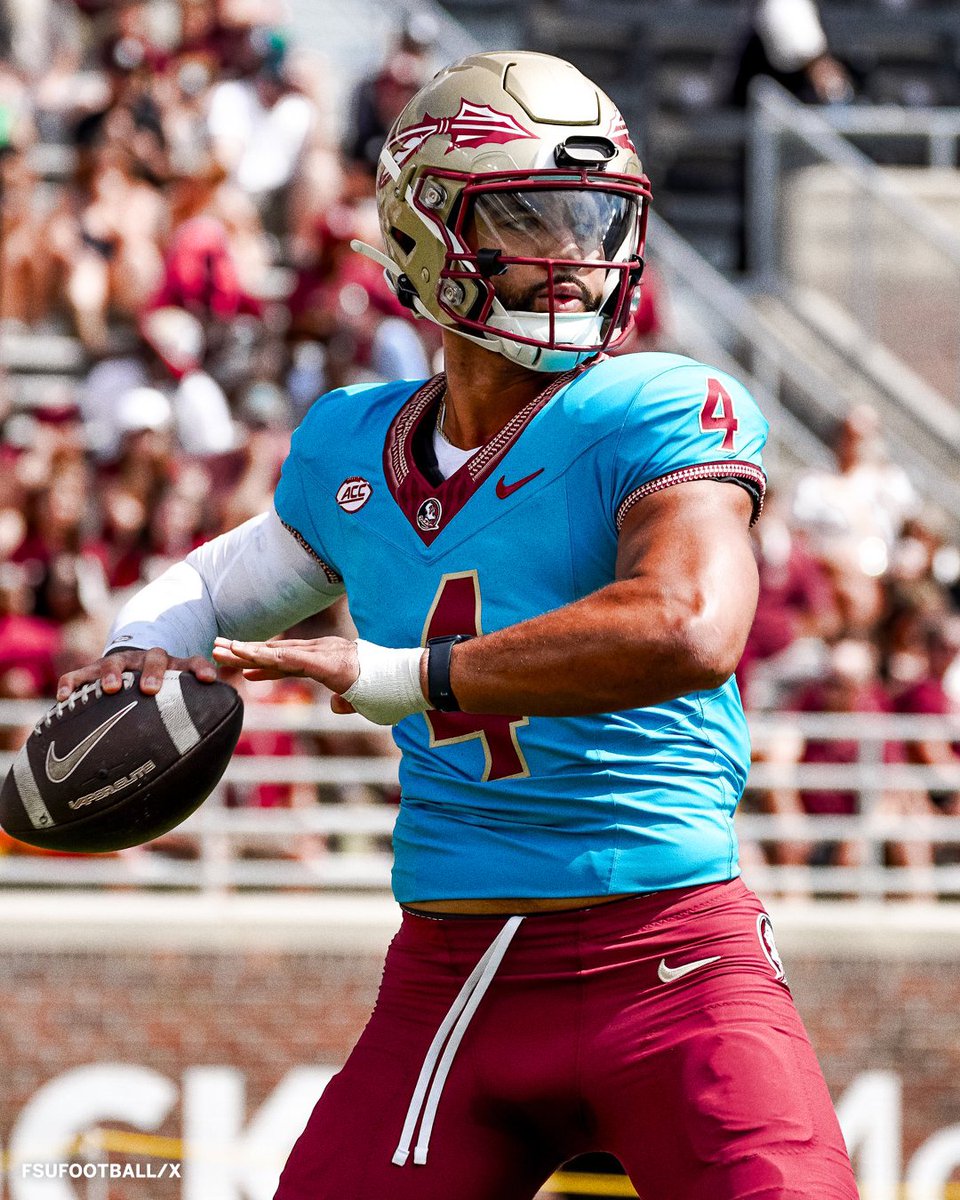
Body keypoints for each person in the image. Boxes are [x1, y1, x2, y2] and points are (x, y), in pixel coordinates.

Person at [57, 51, 858, 1200]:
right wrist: (145, 645)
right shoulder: (351, 445)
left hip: (674, 960)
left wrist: (399, 675)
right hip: (454, 971)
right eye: (535, 216)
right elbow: (217, 584)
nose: (578, 257)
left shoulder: (653, 405)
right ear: (426, 230)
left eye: (597, 221)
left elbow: (688, 624)